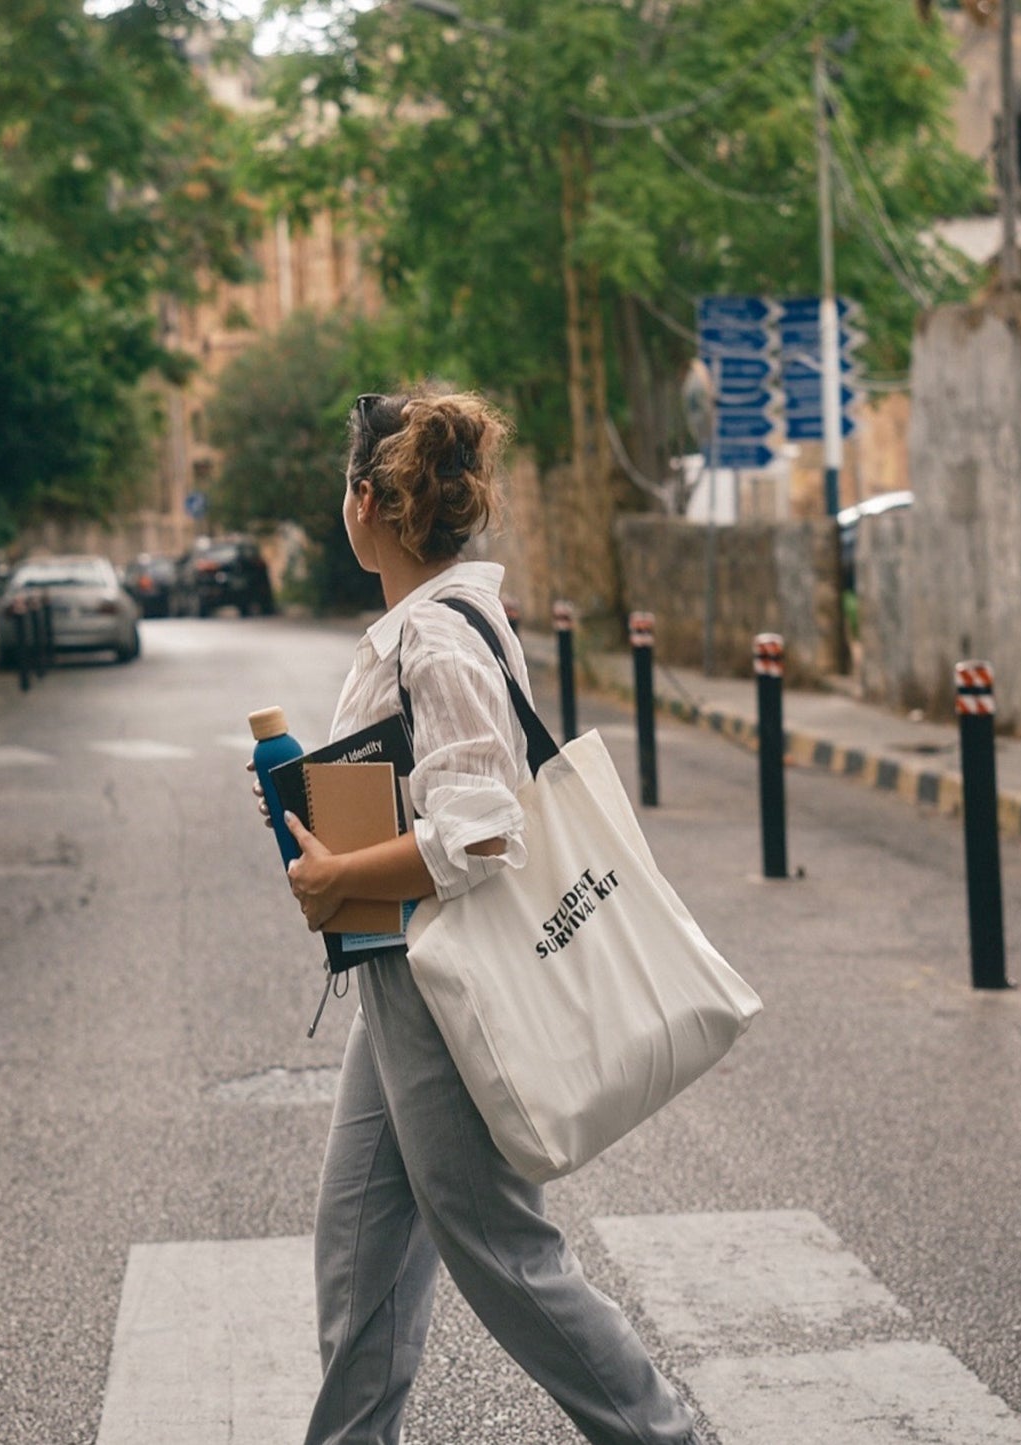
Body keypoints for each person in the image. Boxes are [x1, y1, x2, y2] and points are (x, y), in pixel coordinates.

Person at [253, 388, 702, 1445]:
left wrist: (337, 874)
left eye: (343, 487)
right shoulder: (431, 619)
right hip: (396, 974)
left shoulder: (436, 640)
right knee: (358, 1247)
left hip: (440, 977)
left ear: (367, 501)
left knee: (498, 1248)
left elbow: (480, 829)